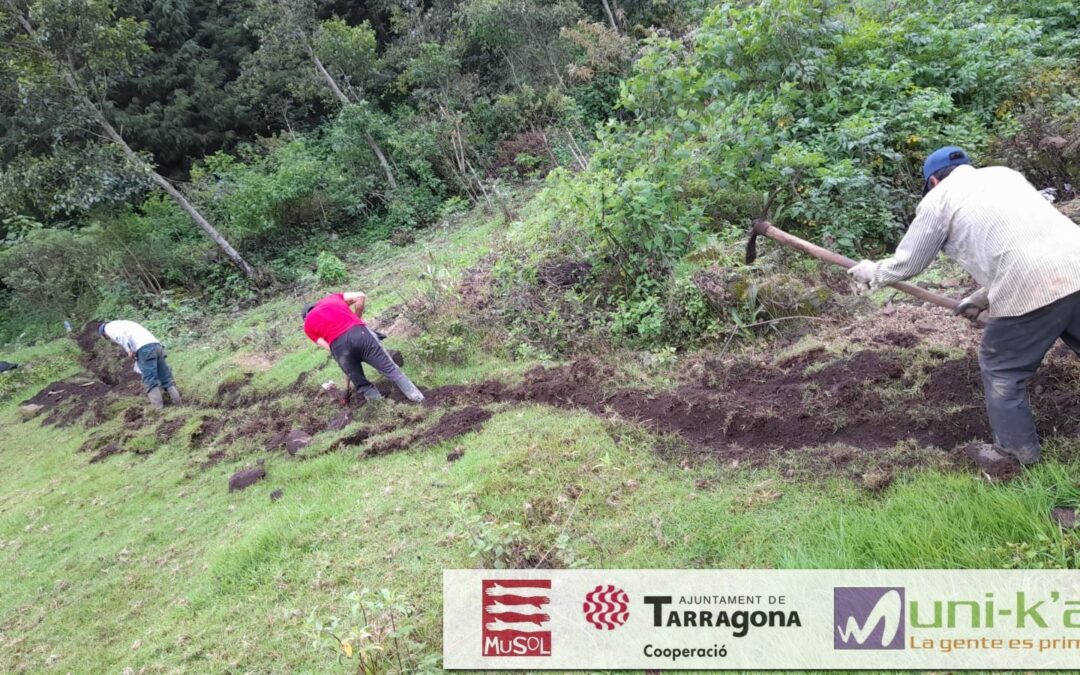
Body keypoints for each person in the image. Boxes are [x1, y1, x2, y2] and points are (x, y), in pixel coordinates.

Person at [847, 146, 1080, 469]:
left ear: (932, 181)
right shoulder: (1003, 175)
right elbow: (1022, 240)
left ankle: (1013, 455)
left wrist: (873, 272)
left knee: (1002, 367)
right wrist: (982, 297)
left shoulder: (938, 201)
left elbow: (909, 262)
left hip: (1031, 282)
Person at [302, 292, 424, 403]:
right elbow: (360, 296)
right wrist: (357, 318)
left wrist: (346, 360)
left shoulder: (307, 326)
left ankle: (382, 409)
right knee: (391, 370)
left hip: (340, 349)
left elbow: (329, 347)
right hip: (360, 334)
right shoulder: (332, 299)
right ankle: (419, 399)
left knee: (362, 384)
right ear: (316, 304)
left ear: (305, 317)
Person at [98, 320, 181, 409]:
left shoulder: (109, 328)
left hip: (145, 349)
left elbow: (121, 336)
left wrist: (129, 350)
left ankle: (158, 408)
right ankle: (178, 402)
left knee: (150, 379)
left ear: (104, 333)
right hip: (157, 345)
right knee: (165, 377)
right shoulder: (123, 323)